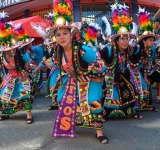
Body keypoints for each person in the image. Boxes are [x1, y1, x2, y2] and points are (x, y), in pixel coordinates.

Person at [47, 0, 108, 144]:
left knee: (93, 103)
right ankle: (74, 123)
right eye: (58, 34)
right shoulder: (57, 51)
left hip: (88, 81)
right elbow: (56, 67)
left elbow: (100, 65)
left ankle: (99, 132)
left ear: (71, 34)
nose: (61, 37)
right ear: (55, 37)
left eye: (64, 33)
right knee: (64, 101)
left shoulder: (82, 50)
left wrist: (94, 76)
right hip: (69, 81)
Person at [100, 3, 142, 119]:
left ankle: (130, 112)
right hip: (110, 78)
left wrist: (138, 48)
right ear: (117, 41)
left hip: (124, 76)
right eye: (122, 39)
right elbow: (97, 57)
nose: (125, 41)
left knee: (131, 89)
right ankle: (104, 114)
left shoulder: (129, 49)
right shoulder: (109, 49)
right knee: (110, 98)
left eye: (127, 38)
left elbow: (137, 59)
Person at [0, 14, 34, 124]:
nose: (11, 49)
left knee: (25, 94)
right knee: (5, 95)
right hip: (10, 77)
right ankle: (6, 113)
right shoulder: (2, 56)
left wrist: (26, 74)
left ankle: (29, 115)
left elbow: (29, 63)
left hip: (22, 76)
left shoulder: (20, 52)